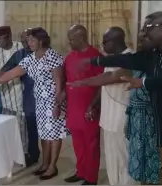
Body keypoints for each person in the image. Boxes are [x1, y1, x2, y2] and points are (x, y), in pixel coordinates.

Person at [77, 11, 162, 185]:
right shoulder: (154, 55)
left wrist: (146, 82)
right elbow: (127, 60)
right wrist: (94, 61)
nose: (144, 33)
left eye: (148, 28)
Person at [0, 27, 68, 180]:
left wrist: (57, 105)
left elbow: (60, 81)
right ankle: (45, 164)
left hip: (53, 101)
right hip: (39, 101)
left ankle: (53, 166)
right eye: (28, 40)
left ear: (41, 41)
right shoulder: (31, 58)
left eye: (32, 40)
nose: (28, 42)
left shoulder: (52, 56)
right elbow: (11, 73)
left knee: (54, 135)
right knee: (44, 135)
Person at [69, 27, 146, 185]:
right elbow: (104, 87)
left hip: (122, 118)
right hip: (108, 118)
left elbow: (111, 77)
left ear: (115, 41)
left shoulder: (130, 58)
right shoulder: (111, 58)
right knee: (111, 158)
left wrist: (82, 82)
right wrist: (93, 104)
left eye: (105, 41)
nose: (102, 44)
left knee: (124, 158)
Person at [0, 28, 40, 167]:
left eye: (29, 40)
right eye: (24, 40)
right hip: (28, 95)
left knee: (45, 131)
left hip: (45, 96)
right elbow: (6, 71)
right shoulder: (20, 54)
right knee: (30, 126)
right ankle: (33, 154)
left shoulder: (45, 53)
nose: (27, 43)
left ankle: (48, 163)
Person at [63, 25, 104, 185]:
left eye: (72, 39)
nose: (69, 42)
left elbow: (102, 84)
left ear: (81, 38)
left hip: (89, 108)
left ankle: (91, 178)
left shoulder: (96, 56)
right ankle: (81, 172)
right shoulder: (69, 57)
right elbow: (68, 81)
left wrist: (94, 106)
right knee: (78, 144)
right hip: (73, 109)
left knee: (91, 144)